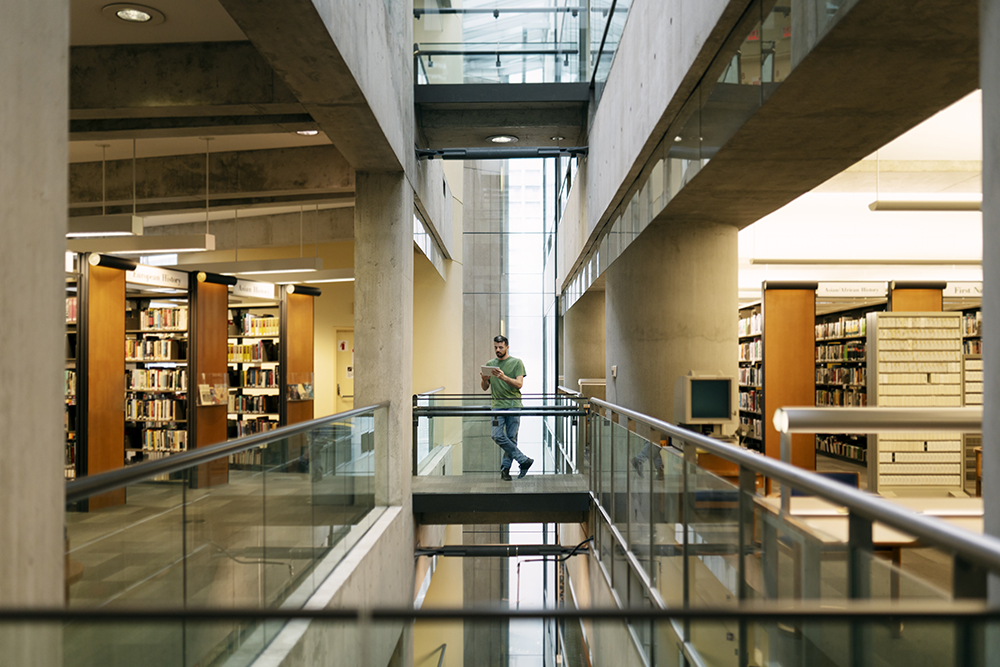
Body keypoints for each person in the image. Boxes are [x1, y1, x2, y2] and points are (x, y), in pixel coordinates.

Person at [480, 335, 533, 481]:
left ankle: (505, 469)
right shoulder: (490, 364)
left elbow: (519, 384)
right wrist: (484, 380)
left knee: (511, 438)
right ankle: (523, 460)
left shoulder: (517, 363)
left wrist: (503, 377)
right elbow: (485, 388)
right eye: (496, 347)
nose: (498, 350)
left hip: (514, 405)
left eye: (500, 347)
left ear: (507, 347)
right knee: (497, 435)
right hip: (497, 407)